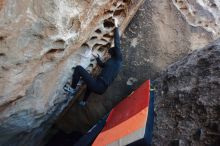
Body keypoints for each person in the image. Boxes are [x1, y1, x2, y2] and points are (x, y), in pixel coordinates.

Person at [64, 18, 122, 106]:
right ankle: (84, 102)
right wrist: (97, 58)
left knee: (78, 69)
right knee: (90, 85)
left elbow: (117, 43)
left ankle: (72, 89)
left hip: (100, 85)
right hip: (100, 87)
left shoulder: (118, 58)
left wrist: (116, 26)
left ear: (114, 52)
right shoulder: (114, 62)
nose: (108, 54)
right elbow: (103, 65)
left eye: (109, 52)